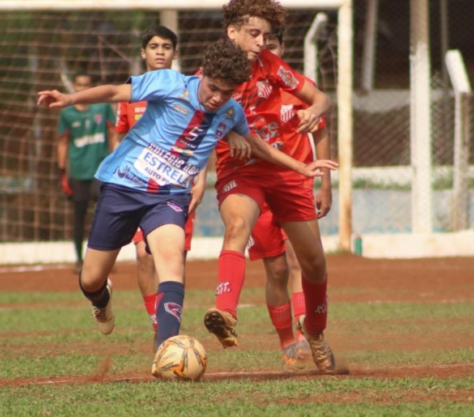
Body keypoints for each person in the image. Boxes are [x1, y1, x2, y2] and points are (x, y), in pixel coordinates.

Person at [37, 39, 337, 370]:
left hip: (169, 198)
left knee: (172, 264)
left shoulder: (230, 112)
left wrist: (300, 167)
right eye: (213, 88)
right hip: (123, 186)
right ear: (202, 74)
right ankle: (100, 298)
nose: (217, 97)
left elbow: (258, 145)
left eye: (227, 92)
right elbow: (112, 93)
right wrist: (69, 99)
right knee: (91, 278)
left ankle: (165, 352)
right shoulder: (169, 82)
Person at [203, 0, 338, 374]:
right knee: (238, 227)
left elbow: (322, 98)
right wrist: (227, 134)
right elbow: (197, 111)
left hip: (286, 172)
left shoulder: (270, 65)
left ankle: (315, 332)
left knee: (313, 264)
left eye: (266, 36)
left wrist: (315, 109)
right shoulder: (214, 70)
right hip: (241, 172)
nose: (262, 43)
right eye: (254, 34)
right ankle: (225, 311)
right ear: (232, 32)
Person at [246, 27, 333, 366]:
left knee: (304, 261)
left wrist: (324, 184)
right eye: (261, 44)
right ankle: (287, 340)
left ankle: (310, 333)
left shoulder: (297, 87)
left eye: (272, 44)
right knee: (277, 268)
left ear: (281, 48)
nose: (265, 48)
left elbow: (322, 130)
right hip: (258, 186)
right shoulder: (247, 90)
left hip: (297, 184)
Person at [115, 26, 208, 336]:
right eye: (153, 46)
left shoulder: (191, 90)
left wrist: (202, 178)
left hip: (178, 188)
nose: (159, 51)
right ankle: (159, 326)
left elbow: (205, 137)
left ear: (175, 53)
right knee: (143, 254)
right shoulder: (130, 93)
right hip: (139, 188)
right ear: (143, 53)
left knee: (173, 260)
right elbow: (119, 139)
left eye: (166, 46)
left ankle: (169, 322)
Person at [56, 72, 116, 274]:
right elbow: (62, 141)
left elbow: (112, 133)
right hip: (78, 173)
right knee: (79, 217)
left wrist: (116, 160)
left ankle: (105, 259)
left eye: (86, 85)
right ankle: (79, 259)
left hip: (101, 172)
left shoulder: (102, 107)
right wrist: (62, 172)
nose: (82, 88)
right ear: (74, 86)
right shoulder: (67, 113)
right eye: (79, 85)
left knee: (104, 216)